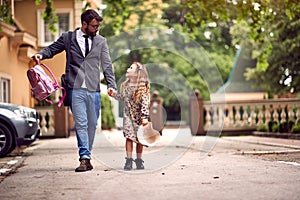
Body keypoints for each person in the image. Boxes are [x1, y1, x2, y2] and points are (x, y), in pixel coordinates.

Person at [32, 9, 117, 172]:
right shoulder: (68, 38)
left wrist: (111, 85)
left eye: (98, 26)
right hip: (74, 87)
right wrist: (40, 55)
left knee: (92, 124)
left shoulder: (101, 41)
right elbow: (51, 49)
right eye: (94, 26)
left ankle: (87, 153)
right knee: (81, 123)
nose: (97, 28)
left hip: (93, 88)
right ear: (84, 24)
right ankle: (84, 158)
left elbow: (107, 65)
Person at [112, 62, 150, 170]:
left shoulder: (142, 88)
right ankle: (128, 160)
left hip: (139, 118)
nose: (128, 69)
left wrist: (144, 117)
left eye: (131, 68)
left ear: (137, 74)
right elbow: (123, 98)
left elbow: (145, 103)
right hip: (128, 116)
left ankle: (139, 160)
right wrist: (114, 94)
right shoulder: (126, 86)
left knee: (139, 140)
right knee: (129, 138)